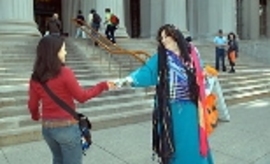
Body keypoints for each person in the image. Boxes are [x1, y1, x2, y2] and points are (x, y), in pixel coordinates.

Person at [115, 24, 214, 164]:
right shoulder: (161, 57)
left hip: (192, 108)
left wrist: (205, 77)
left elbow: (200, 73)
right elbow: (146, 72)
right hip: (171, 110)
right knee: (174, 144)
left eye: (166, 36)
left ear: (175, 36)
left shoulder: (193, 53)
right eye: (161, 38)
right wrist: (128, 80)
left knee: (193, 142)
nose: (163, 40)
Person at [27, 35, 116, 164]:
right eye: (63, 49)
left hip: (47, 129)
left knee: (58, 159)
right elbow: (82, 97)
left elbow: (32, 105)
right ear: (54, 52)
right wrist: (103, 85)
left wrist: (36, 116)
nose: (65, 52)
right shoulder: (65, 72)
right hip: (66, 128)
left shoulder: (36, 77)